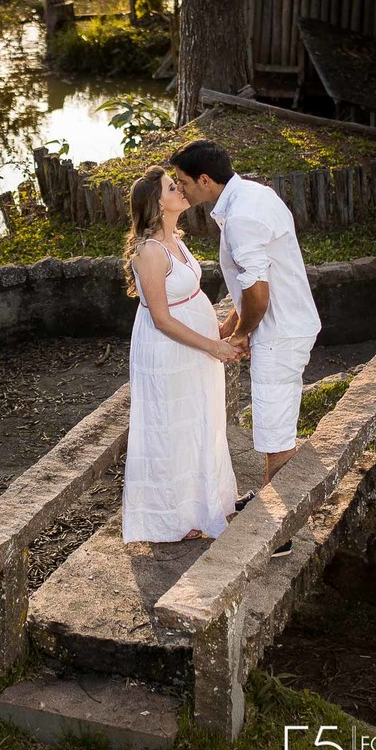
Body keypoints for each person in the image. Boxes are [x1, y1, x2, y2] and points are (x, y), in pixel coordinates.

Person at [169, 139, 322, 557]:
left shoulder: (242, 217)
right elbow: (247, 289)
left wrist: (242, 334)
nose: (180, 191)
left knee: (276, 429)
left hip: (281, 331)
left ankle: (282, 533)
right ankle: (270, 497)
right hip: (283, 325)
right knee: (275, 420)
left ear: (205, 179)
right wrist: (231, 325)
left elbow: (257, 293)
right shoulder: (253, 194)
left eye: (183, 183)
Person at [122, 166, 240, 544]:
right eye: (173, 187)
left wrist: (219, 332)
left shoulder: (176, 240)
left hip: (193, 349)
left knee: (198, 422)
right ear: (158, 202)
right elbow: (160, 319)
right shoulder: (150, 252)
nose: (181, 190)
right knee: (172, 427)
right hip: (169, 350)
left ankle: (203, 504)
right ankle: (172, 519)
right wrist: (213, 345)